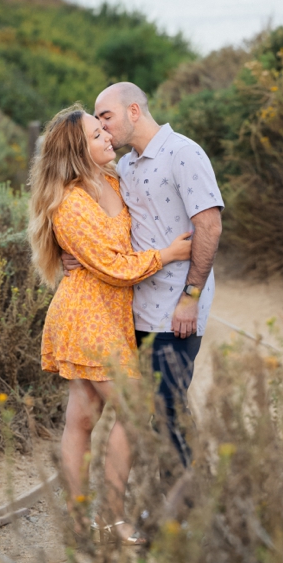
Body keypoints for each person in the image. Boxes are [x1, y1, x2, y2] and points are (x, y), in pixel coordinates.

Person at [29, 104, 192, 544]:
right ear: (77, 151)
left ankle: (80, 523)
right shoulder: (70, 203)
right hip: (87, 316)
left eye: (104, 129)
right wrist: (169, 255)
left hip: (110, 313)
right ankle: (110, 518)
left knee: (82, 417)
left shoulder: (115, 181)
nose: (106, 135)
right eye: (96, 135)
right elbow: (113, 266)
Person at [89, 81, 224, 467]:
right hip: (138, 306)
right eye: (97, 121)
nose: (103, 127)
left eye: (107, 117)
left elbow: (210, 226)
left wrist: (190, 298)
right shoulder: (126, 164)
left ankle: (193, 511)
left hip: (178, 305)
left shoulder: (183, 153)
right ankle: (175, 506)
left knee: (169, 410)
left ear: (134, 111)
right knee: (155, 411)